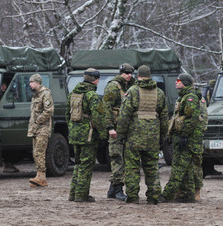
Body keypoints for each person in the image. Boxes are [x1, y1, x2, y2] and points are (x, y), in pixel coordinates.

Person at [116, 65, 168, 204]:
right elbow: (164, 118)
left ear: (138, 76)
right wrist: (162, 136)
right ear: (150, 76)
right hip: (153, 137)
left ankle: (132, 196)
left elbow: (124, 116)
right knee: (152, 167)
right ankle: (154, 196)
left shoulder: (132, 91)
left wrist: (120, 135)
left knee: (132, 168)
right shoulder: (160, 93)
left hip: (134, 137)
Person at [160, 73, 204, 203]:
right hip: (183, 137)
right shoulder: (184, 96)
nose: (176, 82)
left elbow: (192, 119)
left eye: (178, 80)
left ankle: (166, 195)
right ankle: (188, 194)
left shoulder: (190, 98)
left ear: (184, 83)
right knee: (187, 169)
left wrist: (184, 135)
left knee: (178, 168)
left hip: (188, 139)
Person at [67, 68, 107, 202]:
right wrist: (103, 135)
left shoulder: (73, 93)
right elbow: (98, 117)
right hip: (88, 135)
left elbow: (67, 113)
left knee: (78, 164)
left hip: (74, 134)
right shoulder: (92, 96)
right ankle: (81, 195)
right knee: (86, 165)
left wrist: (72, 129)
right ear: (95, 80)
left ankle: (73, 194)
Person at [102, 63, 136, 201]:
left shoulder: (130, 86)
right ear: (121, 72)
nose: (129, 75)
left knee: (122, 158)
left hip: (126, 128)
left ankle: (112, 189)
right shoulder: (113, 86)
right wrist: (110, 127)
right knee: (117, 158)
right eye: (126, 73)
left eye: (130, 73)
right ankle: (118, 190)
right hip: (116, 128)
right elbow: (106, 108)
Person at [27, 73, 54, 187]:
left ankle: (42, 177)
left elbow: (49, 110)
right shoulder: (35, 95)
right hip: (35, 128)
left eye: (32, 82)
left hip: (43, 128)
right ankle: (39, 175)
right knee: (35, 152)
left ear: (37, 82)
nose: (30, 84)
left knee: (40, 152)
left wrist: (38, 121)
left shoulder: (45, 93)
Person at [0, 82, 20, 173]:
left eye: (5, 84)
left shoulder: (9, 93)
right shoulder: (0, 94)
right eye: (2, 85)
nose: (4, 87)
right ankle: (7, 164)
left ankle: (8, 164)